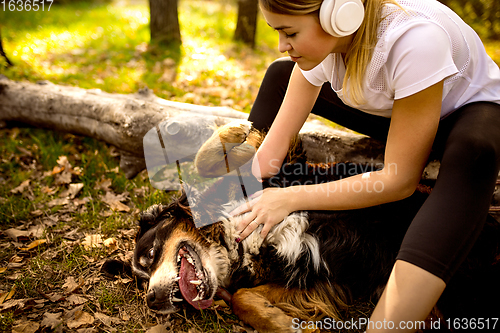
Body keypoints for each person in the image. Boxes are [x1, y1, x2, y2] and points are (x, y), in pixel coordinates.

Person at [229, 0, 500, 331]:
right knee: (279, 73)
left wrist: (290, 198)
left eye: (290, 33)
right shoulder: (323, 47)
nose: (282, 45)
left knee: (476, 152)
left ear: (339, 15)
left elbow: (398, 180)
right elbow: (269, 155)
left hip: (467, 115)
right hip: (402, 109)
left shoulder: (415, 40)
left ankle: (391, 318)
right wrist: (226, 196)